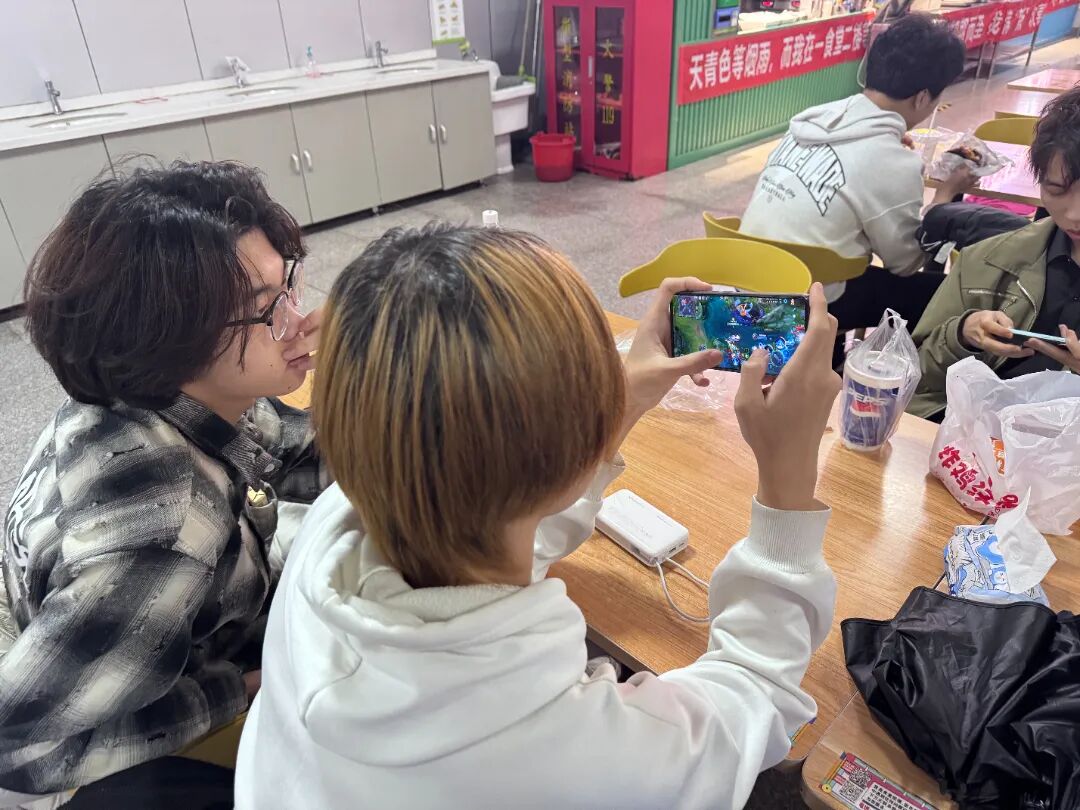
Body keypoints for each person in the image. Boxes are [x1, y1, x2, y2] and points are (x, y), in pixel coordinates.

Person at [235, 222, 843, 810]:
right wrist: (787, 482)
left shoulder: (344, 509)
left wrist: (621, 399)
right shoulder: (582, 754)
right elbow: (754, 700)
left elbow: (493, 502)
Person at [0, 161, 326, 805]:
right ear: (170, 339)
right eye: (265, 310)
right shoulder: (165, 529)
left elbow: (293, 454)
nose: (296, 320)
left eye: (288, 287)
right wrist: (238, 691)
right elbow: (20, 743)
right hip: (125, 709)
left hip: (146, 625)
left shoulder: (174, 395)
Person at [739, 14, 974, 345]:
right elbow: (905, 263)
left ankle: (830, 354)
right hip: (807, 303)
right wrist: (944, 195)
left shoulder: (813, 121)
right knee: (943, 294)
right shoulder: (893, 162)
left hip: (746, 282)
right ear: (923, 97)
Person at [910, 87, 1080, 419]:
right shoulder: (988, 262)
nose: (1074, 214)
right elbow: (916, 372)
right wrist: (962, 334)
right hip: (975, 433)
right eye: (1055, 189)